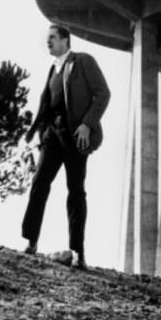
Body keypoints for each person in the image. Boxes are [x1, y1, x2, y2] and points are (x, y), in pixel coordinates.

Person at [21, 24, 110, 270]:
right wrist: (34, 134)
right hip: (52, 135)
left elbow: (103, 94)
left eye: (51, 38)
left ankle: (77, 253)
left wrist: (87, 125)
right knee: (39, 183)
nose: (47, 42)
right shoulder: (53, 69)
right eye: (46, 38)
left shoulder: (83, 62)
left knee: (75, 191)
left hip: (75, 137)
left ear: (65, 40)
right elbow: (46, 106)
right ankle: (31, 241)